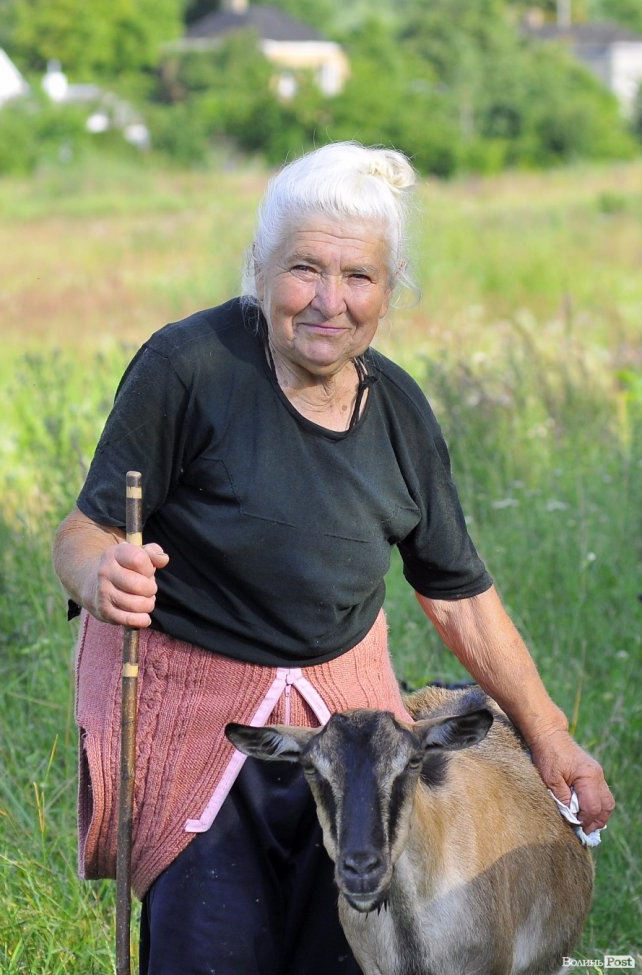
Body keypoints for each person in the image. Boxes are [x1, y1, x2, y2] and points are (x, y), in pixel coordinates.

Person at [53, 141, 614, 975]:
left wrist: (549, 733)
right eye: (304, 269)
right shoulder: (189, 367)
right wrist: (102, 574)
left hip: (352, 740)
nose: (329, 301)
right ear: (259, 268)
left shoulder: (400, 413)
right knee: (211, 948)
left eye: (359, 277)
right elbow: (82, 533)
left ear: (390, 290)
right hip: (207, 727)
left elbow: (458, 595)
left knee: (356, 949)